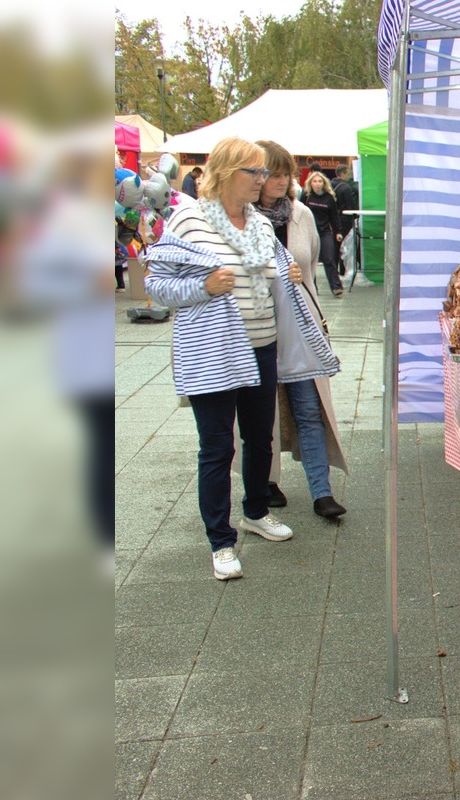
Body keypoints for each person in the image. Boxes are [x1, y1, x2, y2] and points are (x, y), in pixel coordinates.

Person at [144, 137, 305, 580]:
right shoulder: (188, 219)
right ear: (226, 172)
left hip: (262, 344)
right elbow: (157, 286)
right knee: (217, 447)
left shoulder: (259, 224)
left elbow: (275, 269)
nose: (262, 180)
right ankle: (220, 541)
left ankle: (255, 511)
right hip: (213, 351)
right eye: (253, 172)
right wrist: (203, 288)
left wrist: (287, 274)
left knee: (260, 438)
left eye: (264, 172)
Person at [253, 140, 349, 518]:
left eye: (285, 173)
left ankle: (321, 492)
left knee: (309, 410)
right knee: (263, 415)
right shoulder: (241, 220)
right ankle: (266, 481)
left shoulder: (302, 215)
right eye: (273, 174)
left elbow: (309, 273)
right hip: (256, 331)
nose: (281, 181)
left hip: (300, 330)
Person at [301, 170, 345, 297]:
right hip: (308, 231)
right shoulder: (306, 196)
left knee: (329, 258)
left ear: (324, 183)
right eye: (315, 181)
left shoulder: (329, 197)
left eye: (320, 181)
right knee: (309, 260)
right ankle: (311, 287)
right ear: (311, 183)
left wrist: (338, 231)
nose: (317, 184)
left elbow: (334, 216)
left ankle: (336, 286)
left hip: (325, 231)